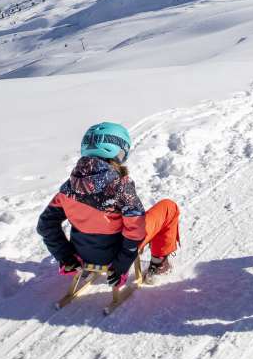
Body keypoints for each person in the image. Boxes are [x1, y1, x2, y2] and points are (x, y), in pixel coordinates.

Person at [37, 122, 180, 286]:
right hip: (116, 256)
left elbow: (45, 225)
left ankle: (87, 264)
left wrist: (66, 256)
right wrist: (122, 264)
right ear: (119, 151)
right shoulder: (120, 187)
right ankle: (158, 265)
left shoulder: (68, 188)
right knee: (169, 207)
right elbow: (136, 231)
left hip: (82, 254)